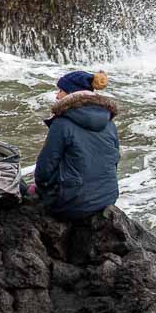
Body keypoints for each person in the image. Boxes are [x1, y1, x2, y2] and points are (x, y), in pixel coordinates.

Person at [34, 70, 119, 221]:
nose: (57, 95)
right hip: (108, 197)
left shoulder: (62, 124)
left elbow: (44, 170)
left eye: (61, 90)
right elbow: (115, 161)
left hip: (72, 204)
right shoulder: (109, 122)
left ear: (71, 94)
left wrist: (40, 191)